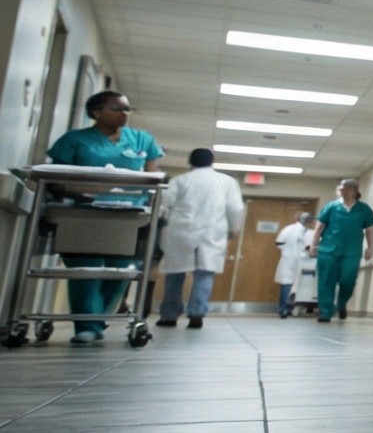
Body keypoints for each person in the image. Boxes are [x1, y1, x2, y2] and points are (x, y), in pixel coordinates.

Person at [45, 90, 163, 344]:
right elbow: (55, 179)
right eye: (117, 109)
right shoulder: (74, 140)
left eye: (128, 109)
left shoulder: (142, 140)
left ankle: (96, 320)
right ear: (96, 112)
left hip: (128, 216)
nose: (125, 114)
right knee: (86, 270)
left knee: (120, 271)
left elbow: (154, 178)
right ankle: (87, 326)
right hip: (82, 213)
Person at [155, 149, 244, 330]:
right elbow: (235, 208)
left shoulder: (179, 180)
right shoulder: (227, 182)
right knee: (204, 274)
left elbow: (164, 206)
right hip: (211, 233)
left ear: (190, 162)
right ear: (213, 161)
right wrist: (234, 230)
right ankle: (196, 315)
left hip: (181, 231)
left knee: (175, 274)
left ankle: (169, 316)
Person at [314, 180, 373, 323]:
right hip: (328, 250)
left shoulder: (363, 209)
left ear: (354, 191)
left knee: (348, 281)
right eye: (341, 189)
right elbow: (320, 226)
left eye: (345, 189)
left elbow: (370, 229)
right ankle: (325, 312)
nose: (342, 191)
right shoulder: (331, 207)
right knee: (326, 281)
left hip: (351, 251)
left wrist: (370, 247)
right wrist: (314, 245)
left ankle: (341, 304)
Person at [274, 208, 315, 318]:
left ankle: (285, 309)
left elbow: (279, 243)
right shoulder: (297, 230)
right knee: (291, 284)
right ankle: (286, 309)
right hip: (297, 260)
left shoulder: (288, 229)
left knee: (288, 283)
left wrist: (287, 250)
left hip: (290, 259)